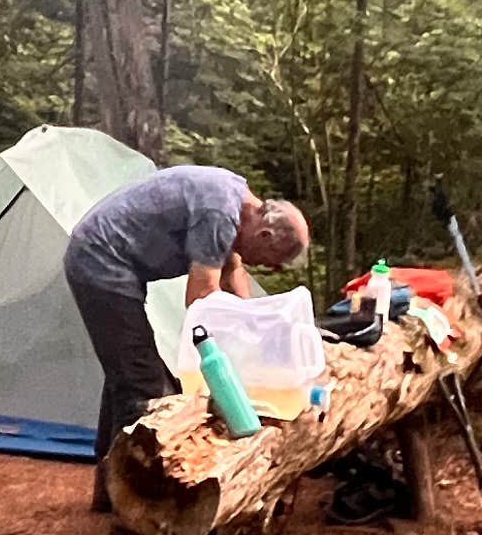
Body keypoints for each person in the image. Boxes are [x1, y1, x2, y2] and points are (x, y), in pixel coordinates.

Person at [60, 166, 308, 506]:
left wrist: (253, 326)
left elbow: (233, 269)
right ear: (264, 235)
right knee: (144, 385)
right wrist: (233, 344)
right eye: (272, 261)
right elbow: (200, 297)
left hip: (109, 259)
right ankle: (135, 499)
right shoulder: (220, 213)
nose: (269, 268)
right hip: (100, 259)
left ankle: (108, 492)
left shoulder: (237, 204)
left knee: (127, 371)